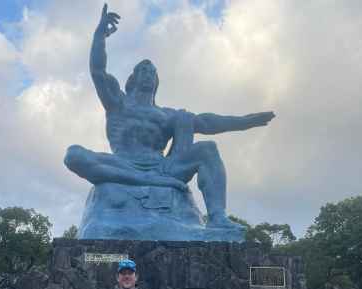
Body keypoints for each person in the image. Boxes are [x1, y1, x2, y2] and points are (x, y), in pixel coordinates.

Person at [64, 3, 275, 232]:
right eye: (142, 71)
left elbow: (207, 122)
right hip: (123, 162)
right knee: (73, 154)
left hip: (162, 168)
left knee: (207, 148)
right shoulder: (118, 102)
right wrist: (99, 36)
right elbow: (98, 71)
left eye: (152, 72)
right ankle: (149, 182)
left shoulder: (167, 115)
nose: (148, 74)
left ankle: (217, 217)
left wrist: (246, 122)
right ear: (132, 79)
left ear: (156, 82)